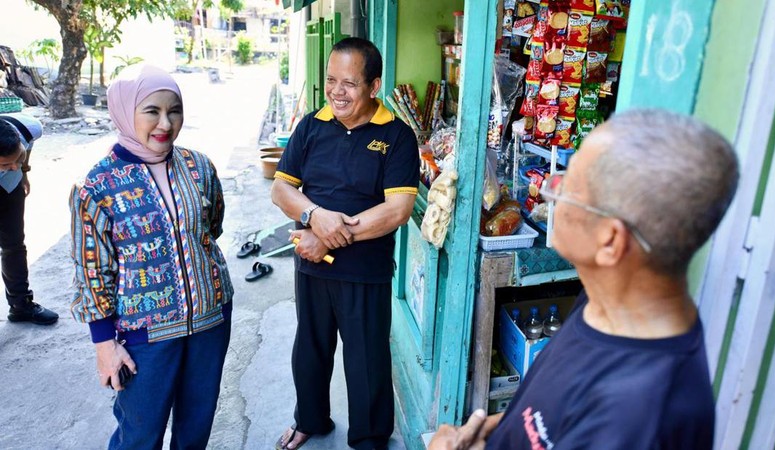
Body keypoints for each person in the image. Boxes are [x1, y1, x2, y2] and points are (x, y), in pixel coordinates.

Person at [428, 109, 739, 449]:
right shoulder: (608, 298)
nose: (550, 191)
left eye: (568, 186)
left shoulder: (638, 420)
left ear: (609, 241)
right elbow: (548, 416)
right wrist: (495, 429)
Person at [69, 64, 234, 449]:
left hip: (210, 323)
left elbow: (211, 228)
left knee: (195, 431)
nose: (165, 122)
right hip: (144, 338)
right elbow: (93, 274)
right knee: (139, 436)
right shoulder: (96, 187)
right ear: (126, 112)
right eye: (152, 111)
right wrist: (104, 346)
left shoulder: (199, 168)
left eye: (174, 110)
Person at [271, 37, 420, 450]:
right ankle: (310, 420)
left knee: (367, 358)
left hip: (365, 270)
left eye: (349, 83)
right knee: (310, 349)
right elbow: (283, 191)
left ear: (374, 86)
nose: (337, 91)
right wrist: (314, 218)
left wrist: (329, 238)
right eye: (331, 80)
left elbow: (397, 209)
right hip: (312, 265)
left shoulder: (397, 135)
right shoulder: (312, 126)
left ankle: (370, 438)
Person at [0, 113, 59, 325]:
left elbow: (28, 145)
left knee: (14, 245)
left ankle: (20, 306)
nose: (13, 166)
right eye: (6, 164)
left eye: (18, 157)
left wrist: (23, 172)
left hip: (11, 188)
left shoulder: (28, 128)